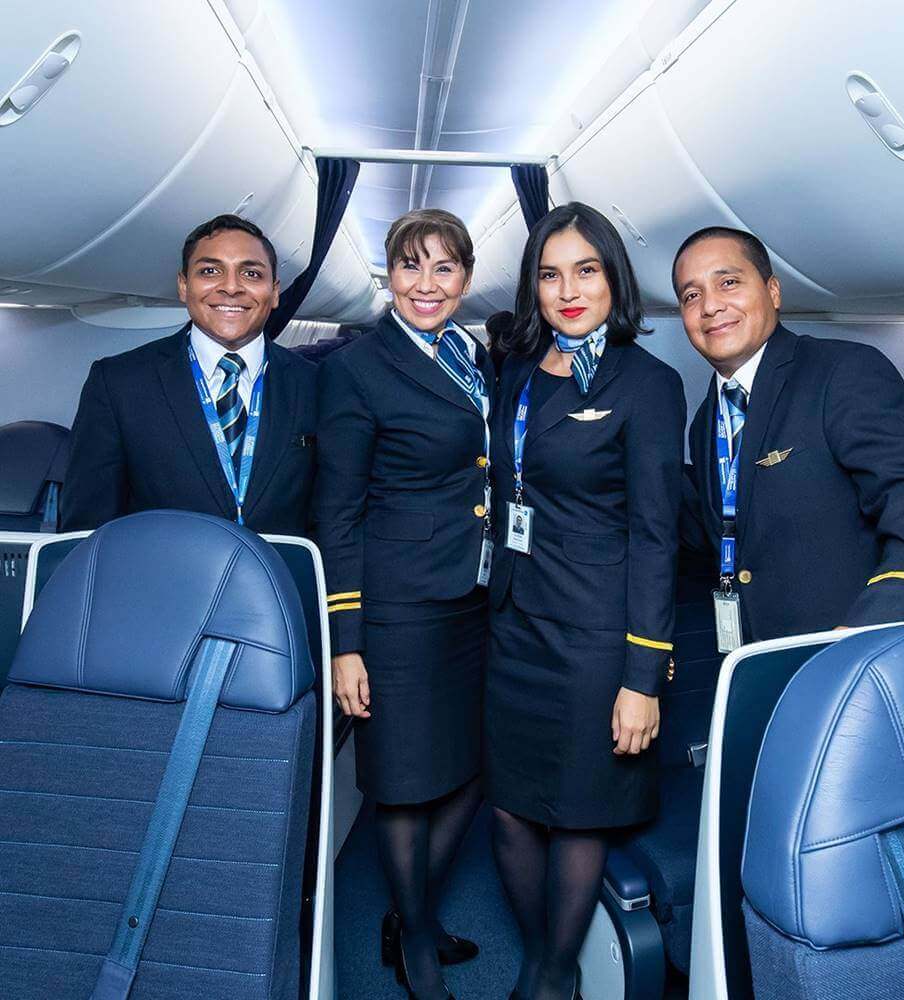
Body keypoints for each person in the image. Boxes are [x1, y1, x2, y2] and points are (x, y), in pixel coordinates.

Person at [485, 202, 685, 1000]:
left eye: (586, 270)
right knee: (507, 810)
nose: (568, 290)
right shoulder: (517, 375)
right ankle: (541, 949)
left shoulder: (650, 384)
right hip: (514, 625)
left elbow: (657, 534)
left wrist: (643, 674)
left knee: (577, 813)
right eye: (549, 272)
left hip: (597, 635)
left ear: (614, 278)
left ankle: (551, 975)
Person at [313, 209, 494, 1000]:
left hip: (478, 598)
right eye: (411, 267)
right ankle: (414, 937)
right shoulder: (358, 368)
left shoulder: (472, 352)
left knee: (471, 770)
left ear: (465, 277)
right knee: (404, 779)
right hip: (399, 607)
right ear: (387, 276)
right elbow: (338, 508)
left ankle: (409, 911)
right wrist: (345, 637)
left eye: (445, 268)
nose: (428, 285)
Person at [674, 226, 904, 647]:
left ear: (773, 291)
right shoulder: (705, 422)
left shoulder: (841, 372)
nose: (711, 306)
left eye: (728, 282)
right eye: (691, 295)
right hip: (763, 660)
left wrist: (877, 619)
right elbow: (729, 527)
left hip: (857, 653)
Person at [61, 214, 317, 535]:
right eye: (210, 271)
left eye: (251, 273)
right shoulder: (119, 383)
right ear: (184, 285)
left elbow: (332, 517)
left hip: (281, 581)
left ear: (274, 291)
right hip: (159, 583)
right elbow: (86, 527)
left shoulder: (316, 385)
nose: (231, 287)